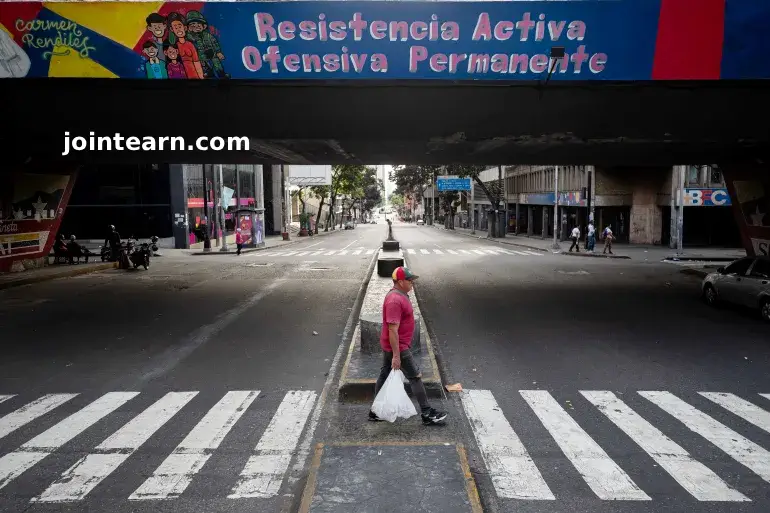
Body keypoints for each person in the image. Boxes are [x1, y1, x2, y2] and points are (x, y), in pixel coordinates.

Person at [370, 266, 448, 425]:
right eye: (409, 280)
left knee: (384, 374)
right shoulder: (394, 300)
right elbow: (393, 330)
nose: (412, 282)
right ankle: (427, 413)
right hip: (398, 346)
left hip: (395, 344)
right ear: (399, 282)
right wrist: (397, 355)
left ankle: (375, 412)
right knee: (415, 376)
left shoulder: (401, 295)